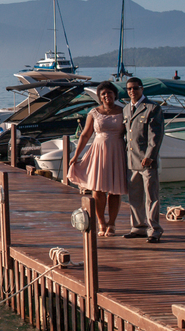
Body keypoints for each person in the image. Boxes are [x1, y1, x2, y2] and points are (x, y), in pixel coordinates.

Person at [67, 81, 128, 237]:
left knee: (115, 190)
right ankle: (101, 222)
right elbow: (85, 135)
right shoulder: (94, 112)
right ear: (100, 97)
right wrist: (76, 155)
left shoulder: (124, 111)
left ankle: (112, 223)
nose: (107, 96)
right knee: (98, 190)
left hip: (117, 151)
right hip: (99, 151)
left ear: (115, 94)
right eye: (103, 94)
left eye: (109, 93)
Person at [122, 76, 165, 243]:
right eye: (129, 89)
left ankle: (154, 230)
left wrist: (149, 156)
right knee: (134, 197)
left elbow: (156, 136)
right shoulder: (126, 109)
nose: (132, 91)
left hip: (147, 161)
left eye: (135, 88)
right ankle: (138, 227)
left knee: (151, 197)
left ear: (142, 89)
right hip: (131, 160)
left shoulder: (152, 108)